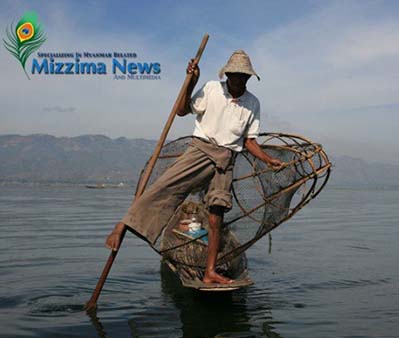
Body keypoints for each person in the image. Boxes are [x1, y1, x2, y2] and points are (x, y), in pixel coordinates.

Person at [105, 50, 283, 284]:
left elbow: (249, 141)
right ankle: (121, 226)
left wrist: (268, 160)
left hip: (226, 159)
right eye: (236, 75)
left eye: (244, 76)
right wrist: (192, 82)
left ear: (249, 78)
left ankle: (210, 272)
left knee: (216, 215)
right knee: (165, 187)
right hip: (201, 150)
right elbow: (181, 110)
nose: (240, 79)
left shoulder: (253, 103)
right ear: (228, 74)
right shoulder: (211, 89)